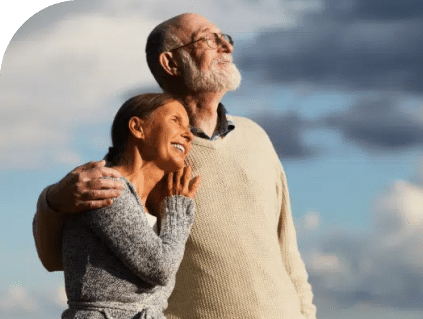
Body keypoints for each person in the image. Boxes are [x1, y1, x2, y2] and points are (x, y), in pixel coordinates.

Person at [33, 13, 317, 319]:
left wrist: (306, 313)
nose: (226, 46)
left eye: (226, 38)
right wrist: (52, 200)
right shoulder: (151, 156)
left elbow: (287, 247)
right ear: (171, 63)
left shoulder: (257, 138)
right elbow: (58, 258)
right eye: (209, 39)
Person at [61, 93, 200, 319]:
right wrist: (177, 210)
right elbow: (160, 268)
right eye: (176, 121)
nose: (189, 135)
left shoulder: (148, 205)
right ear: (137, 128)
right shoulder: (107, 187)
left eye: (189, 127)